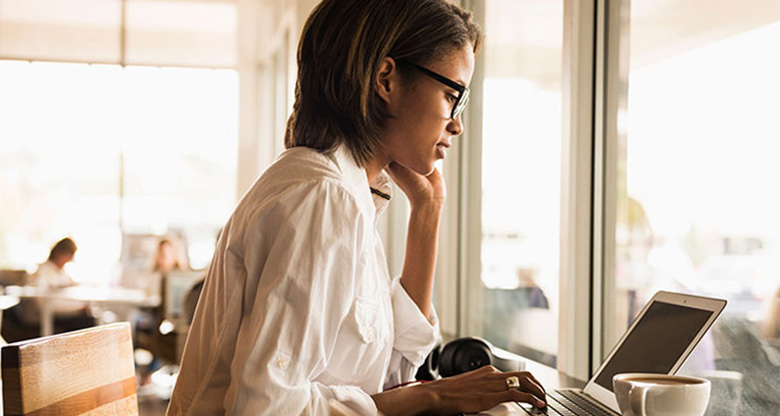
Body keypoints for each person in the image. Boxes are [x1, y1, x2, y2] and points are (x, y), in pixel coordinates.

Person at [167, 0, 547, 415]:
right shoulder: (320, 198)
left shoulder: (342, 194)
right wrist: (434, 394)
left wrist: (427, 211)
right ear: (386, 80)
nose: (456, 123)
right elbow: (266, 406)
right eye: (452, 95)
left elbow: (388, 378)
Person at [19, 237, 95, 331]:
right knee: (88, 322)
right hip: (43, 320)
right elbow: (42, 305)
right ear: (60, 253)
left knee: (93, 318)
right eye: (69, 256)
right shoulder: (41, 272)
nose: (70, 260)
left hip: (58, 315)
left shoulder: (62, 274)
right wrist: (76, 309)